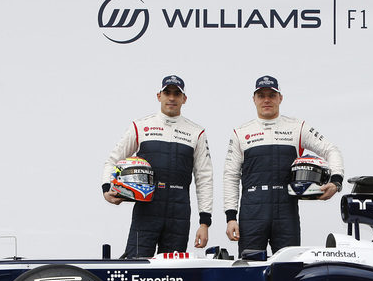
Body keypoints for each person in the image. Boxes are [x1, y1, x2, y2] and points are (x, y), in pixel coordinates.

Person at [223, 75, 344, 255]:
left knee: (288, 268)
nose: (266, 100)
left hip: (286, 210)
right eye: (261, 95)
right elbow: (231, 176)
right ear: (254, 99)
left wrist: (336, 181)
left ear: (280, 98)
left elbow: (331, 150)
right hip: (252, 211)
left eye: (271, 95)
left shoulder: (298, 127)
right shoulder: (241, 133)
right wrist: (231, 217)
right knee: (250, 269)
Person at [102, 75, 213, 258]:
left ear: (184, 99)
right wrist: (107, 188)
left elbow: (204, 178)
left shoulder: (196, 132)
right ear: (158, 95)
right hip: (147, 208)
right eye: (167, 92)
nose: (171, 98)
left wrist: (204, 222)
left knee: (173, 275)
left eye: (177, 94)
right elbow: (113, 160)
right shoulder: (141, 126)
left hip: (179, 211)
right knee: (135, 266)